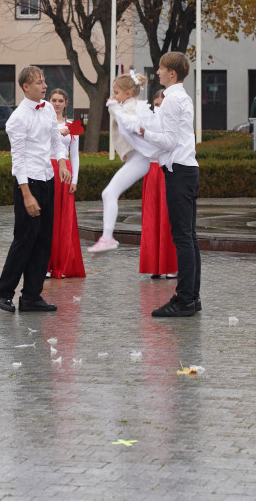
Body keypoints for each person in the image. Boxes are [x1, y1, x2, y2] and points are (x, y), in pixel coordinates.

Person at [0, 66, 70, 313]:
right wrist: (26, 194)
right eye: (39, 82)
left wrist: (62, 162)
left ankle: (31, 296)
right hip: (29, 182)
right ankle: (3, 293)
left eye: (44, 81)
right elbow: (18, 159)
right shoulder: (17, 119)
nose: (44, 85)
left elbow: (56, 141)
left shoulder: (47, 108)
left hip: (47, 179)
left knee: (44, 240)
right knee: (24, 240)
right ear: (26, 86)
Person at [139, 52, 200, 317]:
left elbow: (169, 141)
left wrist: (143, 132)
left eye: (162, 69)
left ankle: (185, 299)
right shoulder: (178, 97)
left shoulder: (172, 100)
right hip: (185, 169)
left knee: (183, 237)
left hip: (179, 171)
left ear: (172, 73)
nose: (158, 73)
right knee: (189, 236)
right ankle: (191, 297)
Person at [88, 72, 151, 253]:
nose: (113, 96)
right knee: (108, 193)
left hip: (139, 159)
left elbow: (129, 122)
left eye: (116, 92)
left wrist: (114, 107)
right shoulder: (126, 106)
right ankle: (107, 237)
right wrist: (114, 107)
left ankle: (107, 238)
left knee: (109, 193)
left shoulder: (131, 108)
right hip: (137, 159)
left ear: (128, 94)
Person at [139, 87, 178, 280]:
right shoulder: (147, 121)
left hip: (167, 169)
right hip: (151, 172)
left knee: (168, 217)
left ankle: (170, 264)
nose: (159, 108)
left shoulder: (173, 123)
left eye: (162, 105)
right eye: (156, 104)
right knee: (151, 218)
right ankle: (154, 264)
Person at [46, 88, 85, 278]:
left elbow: (75, 155)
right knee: (48, 218)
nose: (57, 103)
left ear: (66, 103)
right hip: (47, 169)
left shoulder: (72, 126)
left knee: (64, 218)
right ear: (49, 101)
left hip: (66, 172)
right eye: (54, 100)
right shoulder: (44, 124)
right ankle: (45, 263)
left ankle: (62, 263)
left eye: (61, 100)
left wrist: (75, 179)